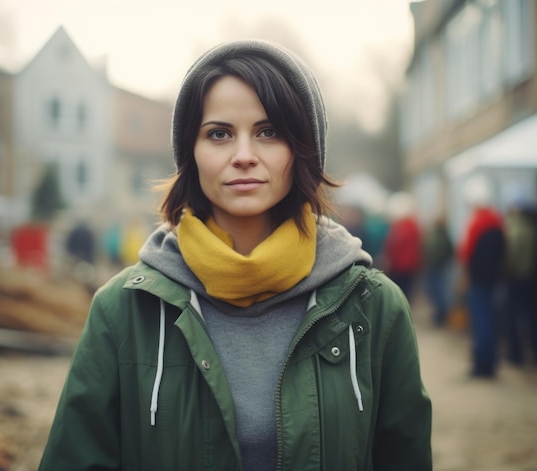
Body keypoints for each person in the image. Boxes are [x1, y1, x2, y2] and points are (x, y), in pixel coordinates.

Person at [38, 39, 432, 471]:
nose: (244, 156)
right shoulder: (122, 311)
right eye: (219, 134)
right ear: (191, 151)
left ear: (302, 148)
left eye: (268, 132)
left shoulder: (375, 308)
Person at [457, 175, 505, 378]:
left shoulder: (476, 223)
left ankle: (482, 365)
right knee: (491, 320)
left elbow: (465, 252)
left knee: (481, 322)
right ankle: (490, 363)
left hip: (477, 280)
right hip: (493, 279)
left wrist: (466, 276)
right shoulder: (498, 221)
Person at [501, 192, 537, 366]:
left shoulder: (513, 227)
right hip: (531, 279)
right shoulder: (532, 226)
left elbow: (511, 256)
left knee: (513, 317)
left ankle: (516, 355)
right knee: (532, 317)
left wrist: (504, 271)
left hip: (516, 279)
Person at [382, 191, 422, 301]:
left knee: (400, 295)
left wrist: (390, 262)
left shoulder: (403, 227)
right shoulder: (413, 225)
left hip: (401, 268)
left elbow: (395, 246)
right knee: (406, 294)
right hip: (410, 266)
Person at [423, 214, 454, 327]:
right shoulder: (434, 233)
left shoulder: (443, 234)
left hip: (439, 267)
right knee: (434, 291)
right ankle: (439, 313)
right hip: (432, 266)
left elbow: (450, 250)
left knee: (440, 291)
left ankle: (441, 314)